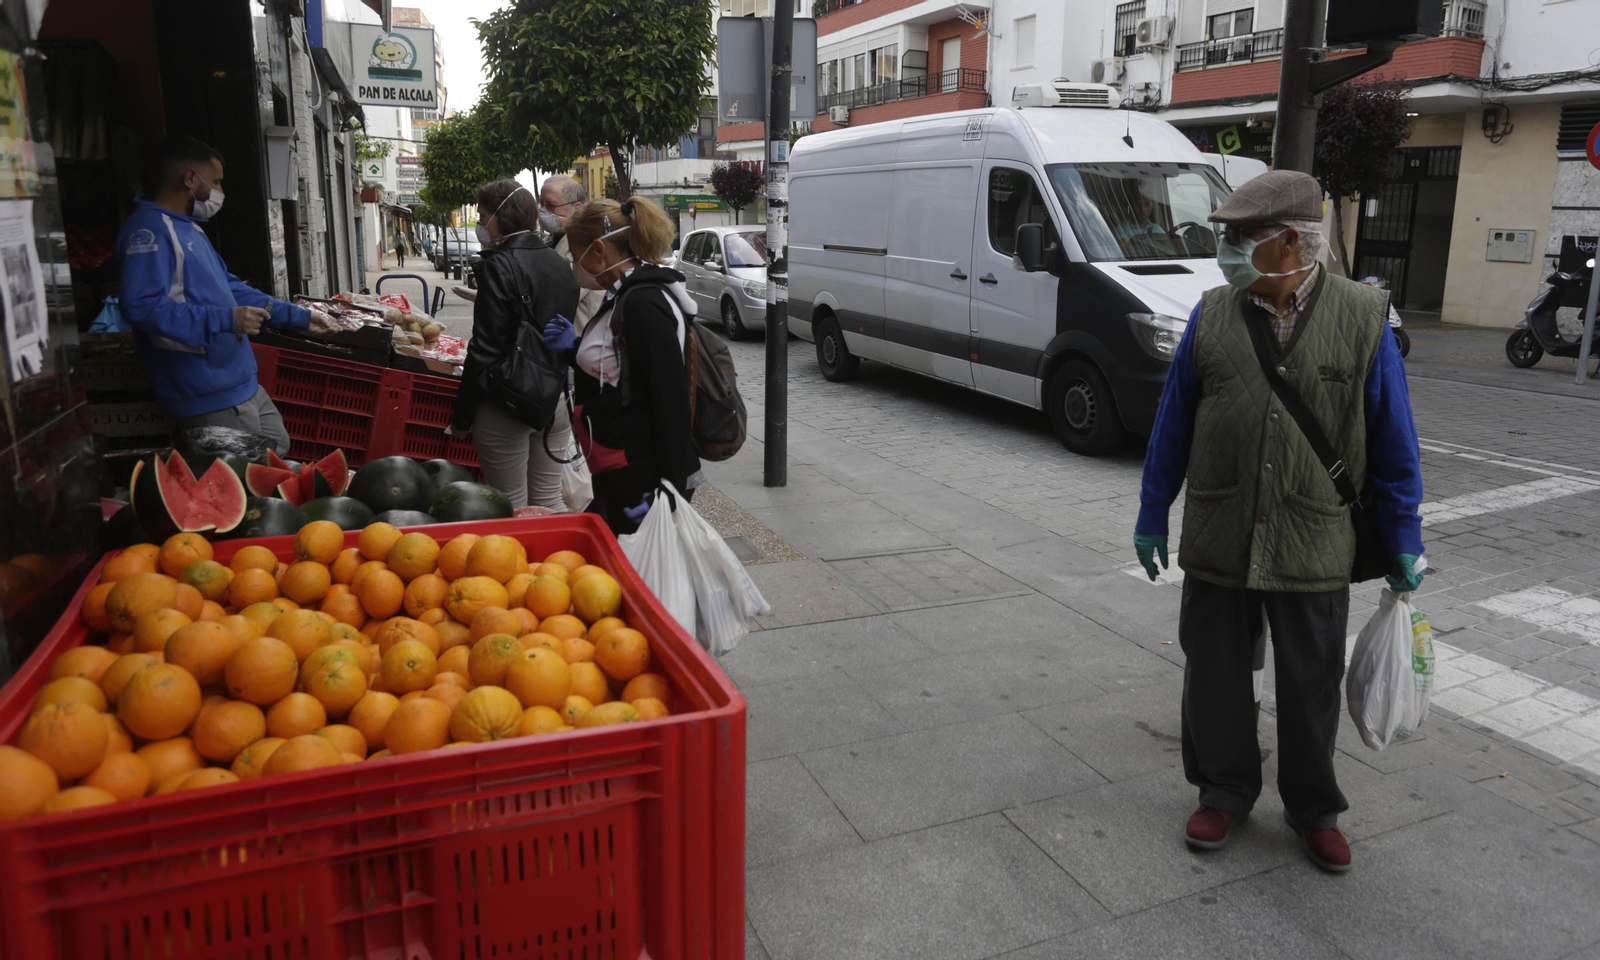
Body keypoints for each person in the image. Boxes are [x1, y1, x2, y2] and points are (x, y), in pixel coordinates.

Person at [1133, 170, 1424, 874]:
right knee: (1215, 673)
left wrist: (1404, 539)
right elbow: (1173, 424)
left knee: (1310, 681)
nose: (1228, 252)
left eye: (1241, 238)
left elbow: (1393, 443)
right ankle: (1224, 789)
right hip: (1220, 527)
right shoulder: (1211, 314)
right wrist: (1152, 513)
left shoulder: (1363, 319)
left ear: (1292, 241)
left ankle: (1312, 807)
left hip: (1313, 534)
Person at [117, 136, 338, 455]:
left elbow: (231, 287)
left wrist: (299, 317)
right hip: (204, 390)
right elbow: (141, 306)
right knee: (246, 481)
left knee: (277, 452)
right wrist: (226, 319)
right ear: (190, 178)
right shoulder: (150, 232)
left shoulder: (190, 228)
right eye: (216, 181)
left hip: (240, 382)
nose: (219, 192)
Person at [541, 197, 701, 535]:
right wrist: (573, 350)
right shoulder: (624, 294)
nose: (573, 266)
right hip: (617, 467)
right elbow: (620, 369)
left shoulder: (644, 303)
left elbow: (670, 402)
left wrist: (668, 493)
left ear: (598, 250)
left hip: (639, 477)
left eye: (574, 255)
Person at [450, 179, 580, 510]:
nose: (481, 223)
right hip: (554, 397)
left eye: (482, 214)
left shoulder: (497, 264)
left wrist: (462, 417)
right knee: (549, 498)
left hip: (507, 401)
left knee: (509, 504)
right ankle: (558, 559)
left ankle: (523, 561)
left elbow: (485, 349)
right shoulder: (559, 263)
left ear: (499, 216)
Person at [538, 175, 605, 332]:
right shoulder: (551, 239)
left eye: (551, 205)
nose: (543, 211)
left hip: (580, 341)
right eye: (542, 204)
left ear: (577, 208)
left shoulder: (587, 245)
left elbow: (561, 292)